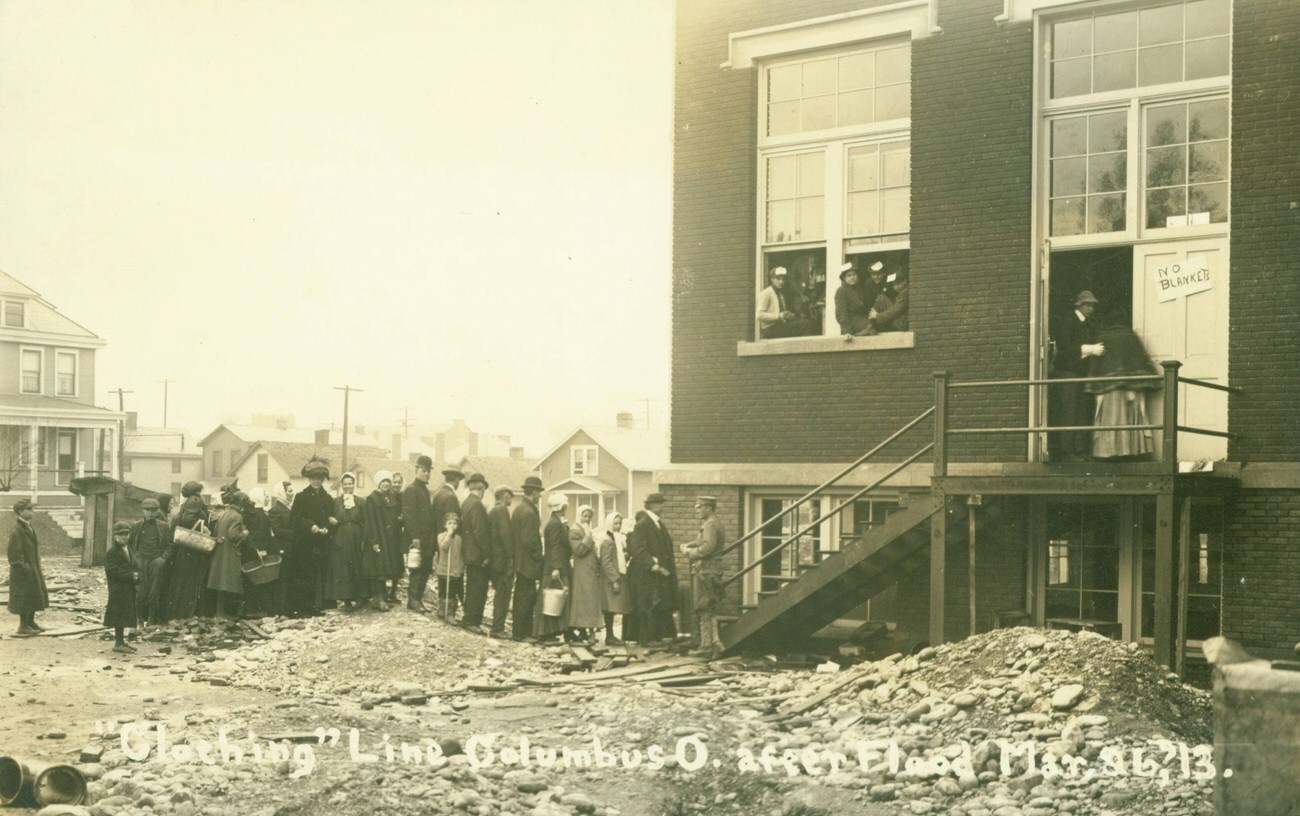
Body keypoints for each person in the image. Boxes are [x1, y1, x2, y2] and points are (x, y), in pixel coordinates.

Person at [1087, 313, 1160, 460]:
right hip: (1132, 387)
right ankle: (1132, 451)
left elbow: (1095, 366)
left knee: (1111, 419)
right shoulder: (1131, 336)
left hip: (1109, 389)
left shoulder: (1103, 337)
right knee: (1132, 417)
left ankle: (1109, 452)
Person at [1052, 290, 1105, 462]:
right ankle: (1067, 452)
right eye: (1088, 305)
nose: (1091, 308)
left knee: (1081, 410)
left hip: (1080, 373)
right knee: (1069, 411)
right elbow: (1066, 348)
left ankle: (1079, 450)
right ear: (1079, 305)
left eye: (1092, 305)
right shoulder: (1068, 321)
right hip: (1067, 372)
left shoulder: (1087, 323)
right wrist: (1091, 349)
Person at [289, 457, 335, 617]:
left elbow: (330, 517)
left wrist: (327, 528)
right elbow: (294, 519)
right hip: (304, 543)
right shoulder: (301, 497)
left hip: (321, 543)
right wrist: (310, 526)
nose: (316, 481)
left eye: (319, 479)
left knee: (319, 574)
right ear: (308, 479)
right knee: (304, 575)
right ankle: (303, 607)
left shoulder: (327, 498)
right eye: (313, 478)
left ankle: (317, 606)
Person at [159, 481, 211, 622]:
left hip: (185, 548)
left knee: (183, 581)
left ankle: (180, 614)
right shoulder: (195, 500)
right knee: (190, 581)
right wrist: (203, 528)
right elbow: (188, 520)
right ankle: (186, 614)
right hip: (192, 547)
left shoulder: (187, 502)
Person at [628, 492, 677, 643]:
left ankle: (656, 636)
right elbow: (637, 549)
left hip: (659, 573)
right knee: (648, 604)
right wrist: (652, 564)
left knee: (658, 603)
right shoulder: (643, 523)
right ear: (653, 505)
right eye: (660, 503)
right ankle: (646, 638)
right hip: (647, 574)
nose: (663, 506)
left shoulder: (658, 523)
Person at [683, 496, 727, 659]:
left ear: (709, 507)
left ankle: (706, 646)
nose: (698, 510)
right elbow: (703, 541)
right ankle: (713, 643)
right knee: (708, 607)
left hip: (706, 571)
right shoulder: (713, 523)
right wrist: (690, 544)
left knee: (704, 607)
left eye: (700, 507)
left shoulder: (710, 524)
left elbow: (708, 547)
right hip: (711, 571)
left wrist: (691, 553)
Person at [510, 475, 545, 641]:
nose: (540, 496)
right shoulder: (529, 512)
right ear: (534, 492)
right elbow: (530, 540)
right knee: (526, 597)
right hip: (527, 563)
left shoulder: (519, 509)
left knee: (521, 595)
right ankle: (522, 633)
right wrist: (539, 556)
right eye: (539, 492)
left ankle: (520, 632)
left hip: (520, 560)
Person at [533, 492, 572, 642]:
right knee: (553, 599)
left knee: (554, 599)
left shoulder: (555, 522)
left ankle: (550, 631)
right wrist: (556, 568)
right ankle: (545, 633)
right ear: (561, 507)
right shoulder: (555, 524)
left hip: (556, 564)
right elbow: (555, 546)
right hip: (555, 566)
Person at [207, 484, 250, 618]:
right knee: (229, 583)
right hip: (230, 553)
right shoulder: (237, 516)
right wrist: (244, 534)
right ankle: (225, 614)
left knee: (221, 583)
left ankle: (219, 612)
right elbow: (233, 535)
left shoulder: (224, 514)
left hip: (220, 552)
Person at [129, 496, 172, 627]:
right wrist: (135, 560)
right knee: (140, 593)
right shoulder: (136, 526)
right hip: (141, 562)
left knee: (154, 593)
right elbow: (130, 545)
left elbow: (171, 544)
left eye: (152, 510)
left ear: (157, 511)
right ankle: (139, 620)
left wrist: (162, 558)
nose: (149, 513)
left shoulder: (164, 526)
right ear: (142, 511)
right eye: (147, 510)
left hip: (156, 562)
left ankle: (152, 621)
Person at [361, 470, 401, 611]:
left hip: (389, 539)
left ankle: (382, 598)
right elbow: (370, 521)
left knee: (384, 568)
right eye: (383, 481)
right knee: (378, 569)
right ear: (378, 483)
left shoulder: (390, 497)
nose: (386, 484)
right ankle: (379, 599)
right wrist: (374, 541)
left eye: (388, 482)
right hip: (378, 537)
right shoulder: (372, 499)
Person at [7, 498, 48, 635]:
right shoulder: (17, 530)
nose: (32, 511)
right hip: (23, 571)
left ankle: (30, 622)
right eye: (29, 509)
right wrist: (26, 568)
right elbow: (14, 556)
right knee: (24, 598)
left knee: (33, 596)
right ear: (20, 512)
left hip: (32, 568)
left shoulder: (27, 525)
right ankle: (23, 626)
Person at [402, 455, 437, 613]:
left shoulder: (424, 490)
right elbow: (410, 516)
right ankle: (413, 600)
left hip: (427, 537)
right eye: (424, 470)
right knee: (417, 569)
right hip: (418, 537)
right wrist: (415, 536)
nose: (427, 474)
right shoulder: (411, 490)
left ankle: (418, 599)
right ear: (416, 470)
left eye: (428, 471)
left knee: (425, 568)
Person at [458, 472, 491, 632]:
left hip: (469, 553)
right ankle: (471, 620)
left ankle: (469, 619)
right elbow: (480, 532)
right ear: (481, 488)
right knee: (478, 588)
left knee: (472, 586)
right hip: (477, 555)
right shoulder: (477, 505)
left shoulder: (466, 503)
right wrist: (486, 555)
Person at [239, 488, 279, 618]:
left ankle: (253, 608)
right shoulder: (258, 514)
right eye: (265, 495)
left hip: (253, 551)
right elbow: (256, 535)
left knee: (253, 581)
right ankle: (255, 609)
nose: (268, 498)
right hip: (257, 552)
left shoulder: (253, 513)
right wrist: (259, 549)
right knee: (259, 581)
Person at [567, 505, 604, 643]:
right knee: (585, 601)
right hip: (582, 571)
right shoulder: (575, 531)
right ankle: (586, 631)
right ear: (579, 516)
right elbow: (579, 550)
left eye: (589, 516)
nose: (587, 519)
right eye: (584, 516)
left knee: (591, 601)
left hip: (590, 570)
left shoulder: (586, 530)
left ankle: (589, 631)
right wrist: (588, 537)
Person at [329, 472, 365, 611]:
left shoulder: (361, 501)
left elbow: (365, 520)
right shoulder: (336, 502)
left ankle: (360, 597)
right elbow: (331, 517)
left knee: (358, 565)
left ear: (354, 485)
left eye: (350, 483)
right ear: (342, 486)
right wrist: (331, 520)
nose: (348, 486)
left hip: (357, 536)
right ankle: (347, 600)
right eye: (345, 484)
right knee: (344, 569)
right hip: (341, 537)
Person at [104, 521, 139, 653]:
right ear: (115, 536)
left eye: (126, 534)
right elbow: (113, 570)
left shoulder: (128, 549)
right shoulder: (112, 552)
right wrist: (131, 575)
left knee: (125, 614)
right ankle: (118, 643)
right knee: (119, 615)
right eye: (120, 535)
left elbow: (133, 564)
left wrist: (137, 574)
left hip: (127, 587)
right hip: (118, 588)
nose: (124, 537)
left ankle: (122, 642)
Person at [486, 485, 515, 638]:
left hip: (495, 560)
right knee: (503, 595)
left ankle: (497, 627)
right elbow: (506, 537)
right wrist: (511, 556)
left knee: (500, 594)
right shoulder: (502, 511)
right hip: (502, 561)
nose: (511, 499)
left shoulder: (493, 511)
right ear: (504, 496)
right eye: (510, 495)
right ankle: (497, 628)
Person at [597, 512, 631, 645]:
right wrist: (614, 580)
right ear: (609, 524)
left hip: (617, 576)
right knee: (610, 608)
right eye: (615, 523)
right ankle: (610, 636)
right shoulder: (607, 540)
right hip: (610, 579)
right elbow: (606, 562)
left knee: (615, 606)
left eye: (620, 523)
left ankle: (612, 636)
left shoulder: (616, 539)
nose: (618, 526)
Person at [756, 266, 817, 339]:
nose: (781, 282)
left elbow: (781, 314)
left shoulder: (780, 294)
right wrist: (779, 316)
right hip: (770, 329)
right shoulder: (766, 293)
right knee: (806, 325)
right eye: (778, 279)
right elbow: (759, 315)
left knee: (805, 323)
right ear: (772, 279)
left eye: (783, 279)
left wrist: (789, 316)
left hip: (779, 327)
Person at [267, 481, 295, 615]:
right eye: (289, 491)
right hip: (282, 548)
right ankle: (280, 609)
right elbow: (277, 530)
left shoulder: (289, 508)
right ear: (282, 493)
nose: (292, 493)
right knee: (282, 579)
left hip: (290, 548)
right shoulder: (275, 510)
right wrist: (296, 534)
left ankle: (288, 608)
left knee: (289, 578)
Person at [434, 513, 464, 622]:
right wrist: (449, 535)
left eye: (454, 523)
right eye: (449, 523)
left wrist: (461, 568)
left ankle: (450, 613)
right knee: (443, 591)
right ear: (445, 525)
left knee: (451, 592)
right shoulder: (441, 536)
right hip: (444, 569)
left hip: (454, 571)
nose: (452, 525)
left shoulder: (459, 538)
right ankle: (442, 609)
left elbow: (460, 555)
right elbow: (444, 547)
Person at [834, 262, 872, 337]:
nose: (852, 277)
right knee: (870, 326)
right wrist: (847, 331)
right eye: (849, 275)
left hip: (861, 319)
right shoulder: (841, 291)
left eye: (854, 274)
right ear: (844, 278)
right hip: (851, 322)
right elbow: (841, 313)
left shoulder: (860, 290)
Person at [386, 472, 406, 603]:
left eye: (399, 482)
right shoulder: (386, 496)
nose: (396, 485)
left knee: (396, 563)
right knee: (386, 562)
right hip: (387, 533)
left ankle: (393, 592)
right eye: (394, 482)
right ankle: (383, 592)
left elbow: (406, 512)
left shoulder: (403, 497)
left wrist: (402, 519)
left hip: (397, 533)